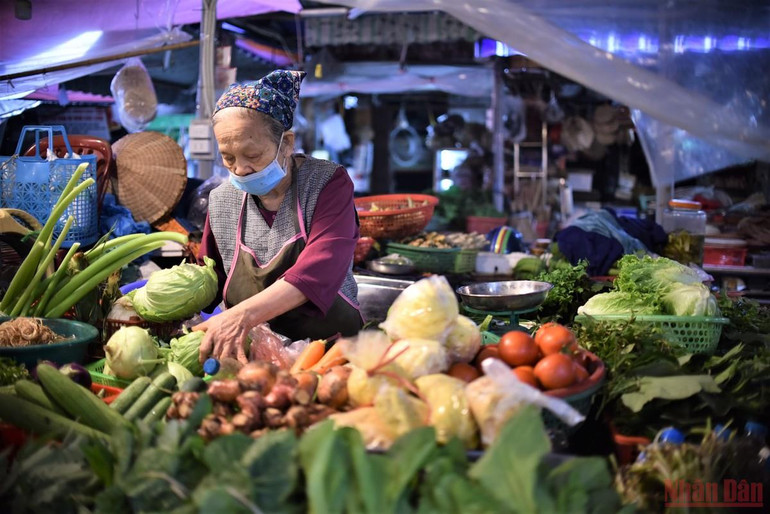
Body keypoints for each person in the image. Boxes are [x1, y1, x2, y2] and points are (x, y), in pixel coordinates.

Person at [196, 69, 363, 364]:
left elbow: (319, 271)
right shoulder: (222, 200)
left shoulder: (326, 183)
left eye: (253, 155)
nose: (240, 169)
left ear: (286, 143)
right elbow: (208, 278)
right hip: (251, 361)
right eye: (228, 157)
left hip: (329, 357)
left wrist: (240, 316)